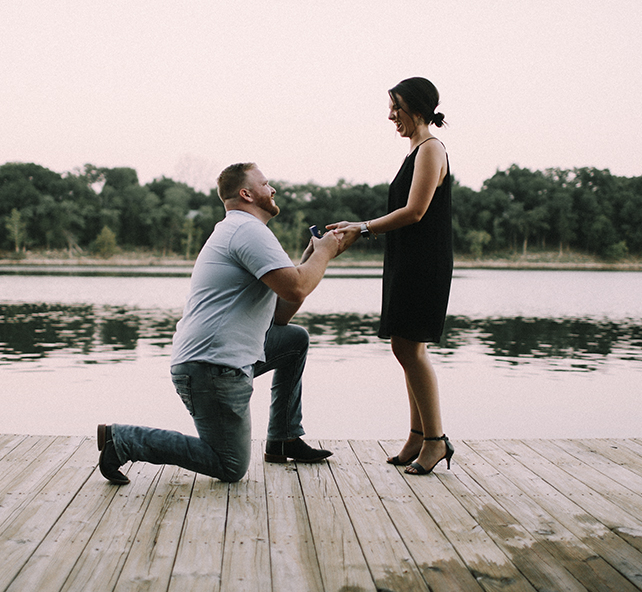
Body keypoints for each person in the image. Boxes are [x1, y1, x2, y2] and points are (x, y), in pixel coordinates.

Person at [97, 162, 343, 484]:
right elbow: (297, 286)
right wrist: (323, 254)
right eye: (266, 184)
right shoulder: (248, 231)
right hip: (212, 367)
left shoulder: (241, 230)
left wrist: (312, 259)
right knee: (230, 466)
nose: (273, 189)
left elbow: (281, 314)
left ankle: (283, 437)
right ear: (247, 193)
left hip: (216, 359)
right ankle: (124, 439)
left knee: (293, 341)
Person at [329, 76, 454, 475]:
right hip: (406, 260)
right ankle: (418, 436)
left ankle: (435, 440)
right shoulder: (416, 151)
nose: (390, 116)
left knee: (410, 348)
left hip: (424, 263)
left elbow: (415, 211)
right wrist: (358, 224)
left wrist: (362, 227)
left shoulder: (431, 150)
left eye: (396, 107)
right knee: (404, 347)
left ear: (417, 109)